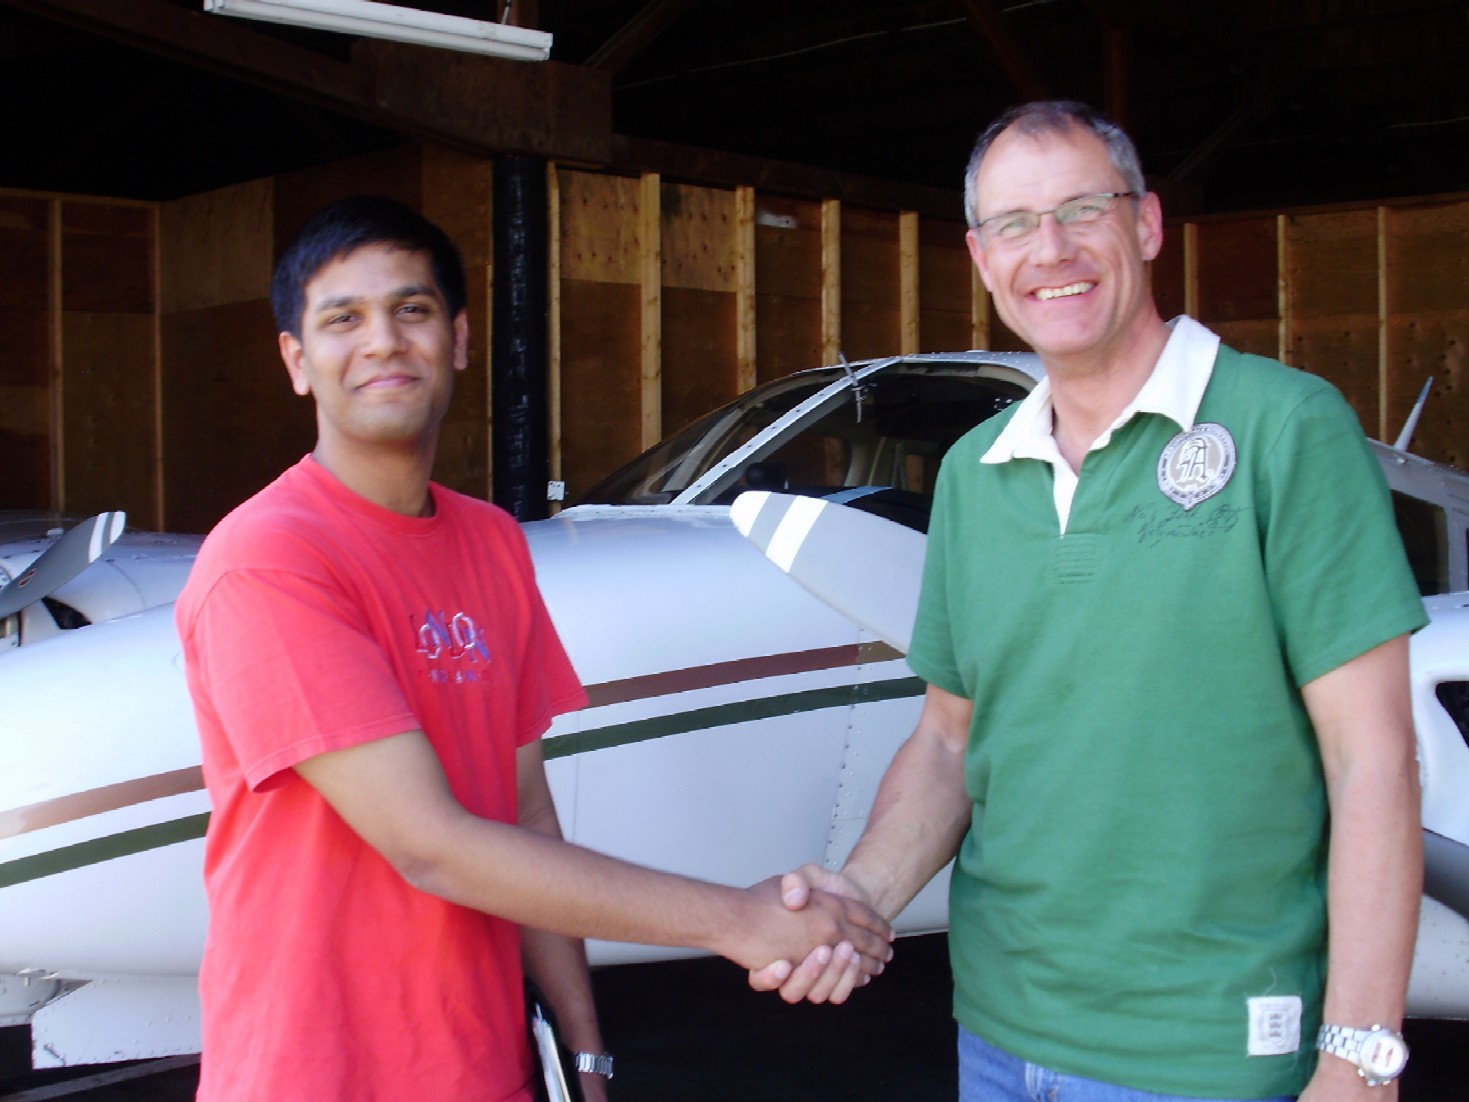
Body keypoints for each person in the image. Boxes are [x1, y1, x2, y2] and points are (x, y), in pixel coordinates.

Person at [751, 101, 1426, 1102]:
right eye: (1014, 224)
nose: (1050, 249)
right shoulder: (978, 473)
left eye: (1080, 208)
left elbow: (1371, 757)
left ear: (1145, 224)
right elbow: (946, 741)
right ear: (981, 259)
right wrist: (858, 899)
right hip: (996, 1034)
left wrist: (1358, 1056)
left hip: (1206, 1054)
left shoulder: (1285, 428)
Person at [175, 195, 891, 1102]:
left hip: (486, 1068)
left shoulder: (489, 543)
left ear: (460, 339)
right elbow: (428, 844)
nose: (384, 341)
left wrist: (583, 1058)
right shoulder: (269, 559)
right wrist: (742, 921)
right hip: (314, 1075)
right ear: (296, 361)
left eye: (412, 309)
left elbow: (528, 816)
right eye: (342, 319)